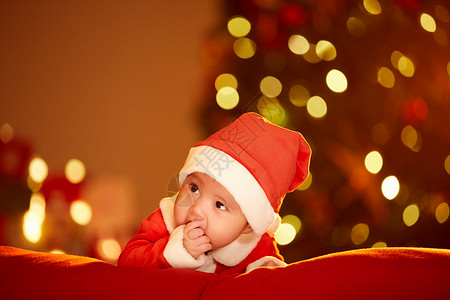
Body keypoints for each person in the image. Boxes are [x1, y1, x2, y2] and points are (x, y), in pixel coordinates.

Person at [118, 112, 311, 274]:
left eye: (220, 205)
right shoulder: (164, 220)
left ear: (248, 227)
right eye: (194, 188)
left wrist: (265, 271)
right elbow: (126, 263)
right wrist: (175, 250)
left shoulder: (255, 246)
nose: (196, 209)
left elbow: (279, 282)